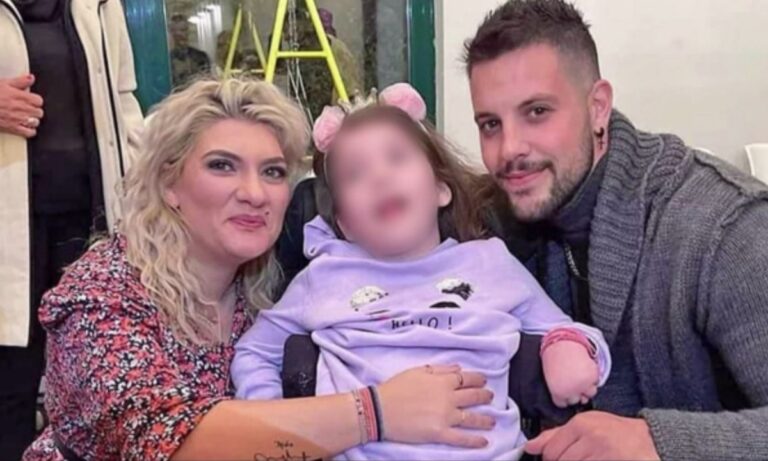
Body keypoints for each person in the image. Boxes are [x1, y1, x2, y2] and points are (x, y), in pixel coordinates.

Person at [23, 79, 496, 461]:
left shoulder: (266, 287)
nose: (254, 193)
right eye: (222, 166)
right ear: (169, 183)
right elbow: (168, 442)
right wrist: (377, 412)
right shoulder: (103, 290)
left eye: (272, 172)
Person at [232, 83, 611, 461]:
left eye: (397, 158)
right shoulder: (326, 276)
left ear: (441, 189)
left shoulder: (489, 263)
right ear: (345, 224)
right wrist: (280, 425)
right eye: (355, 175)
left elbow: (569, 329)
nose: (380, 177)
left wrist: (566, 346)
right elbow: (254, 352)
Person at [464, 1, 768, 460]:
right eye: (490, 124)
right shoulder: (493, 220)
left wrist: (656, 442)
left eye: (537, 111)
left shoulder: (721, 227)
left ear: (598, 107)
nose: (509, 150)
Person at [0, 0, 143, 458]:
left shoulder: (99, 4)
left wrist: (144, 192)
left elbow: (124, 100)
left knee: (97, 379)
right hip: (9, 235)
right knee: (10, 381)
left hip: (92, 224)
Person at [168, 12, 211, 86]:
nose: (183, 34)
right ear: (172, 33)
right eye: (181, 30)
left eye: (185, 30)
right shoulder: (167, 61)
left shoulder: (201, 57)